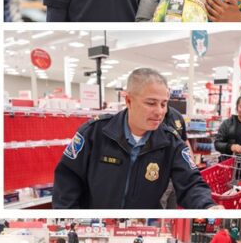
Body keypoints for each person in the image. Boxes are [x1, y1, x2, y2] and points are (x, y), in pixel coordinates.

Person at [52, 68, 220, 209]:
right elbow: (67, 178)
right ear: (129, 100)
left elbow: (190, 183)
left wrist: (208, 207)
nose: (160, 111)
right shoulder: (94, 133)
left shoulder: (171, 142)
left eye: (163, 104)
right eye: (151, 103)